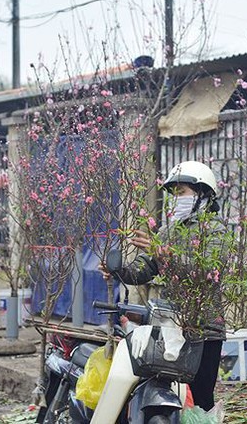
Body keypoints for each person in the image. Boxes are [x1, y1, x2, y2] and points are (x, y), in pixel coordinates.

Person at [101, 160, 226, 412]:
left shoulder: (215, 231)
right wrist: (119, 271)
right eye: (172, 193)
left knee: (201, 397)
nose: (175, 199)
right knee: (167, 393)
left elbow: (207, 272)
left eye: (181, 192)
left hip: (205, 328)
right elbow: (145, 270)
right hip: (170, 325)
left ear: (202, 194)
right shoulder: (169, 231)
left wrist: (162, 252)